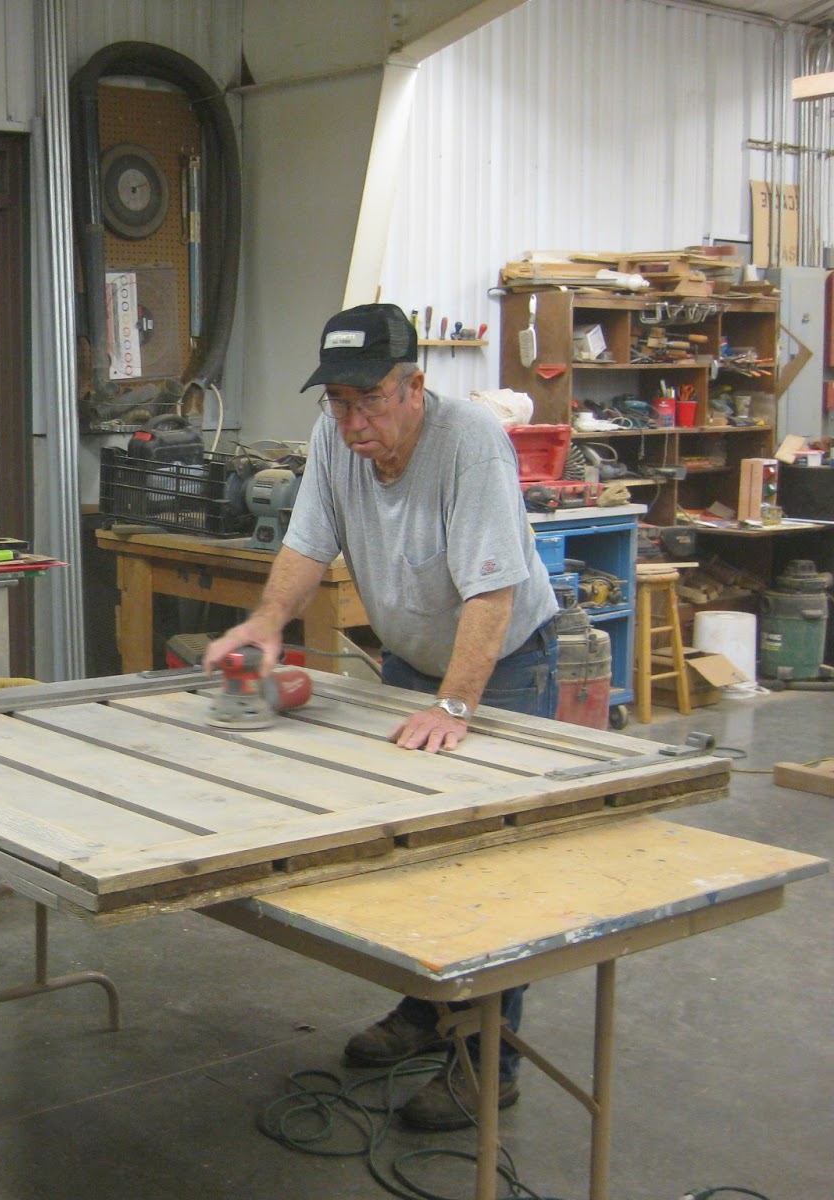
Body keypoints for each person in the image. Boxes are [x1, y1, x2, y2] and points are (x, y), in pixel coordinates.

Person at [203, 302, 560, 1131]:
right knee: (410, 851)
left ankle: (488, 1065)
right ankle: (426, 1009)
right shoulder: (335, 439)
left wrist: (456, 702)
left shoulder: (471, 441)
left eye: (369, 400)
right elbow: (306, 544)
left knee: (488, 867)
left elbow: (494, 591)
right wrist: (267, 623)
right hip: (411, 661)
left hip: (500, 666)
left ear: (414, 388)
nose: (354, 421)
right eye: (339, 401)